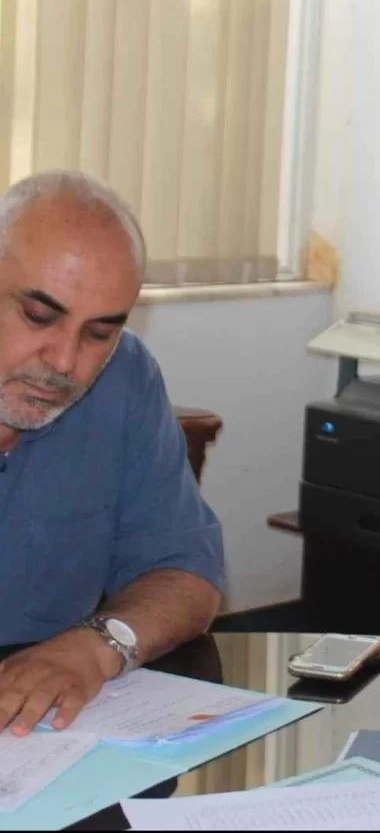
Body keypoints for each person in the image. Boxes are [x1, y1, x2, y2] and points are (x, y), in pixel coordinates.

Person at [0, 170, 225, 737]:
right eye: (39, 316)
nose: (64, 362)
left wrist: (97, 646)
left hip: (45, 743)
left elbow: (187, 574)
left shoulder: (124, 378)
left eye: (99, 332)